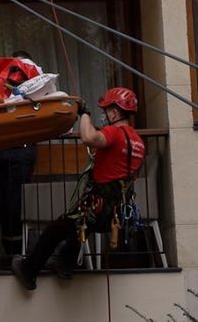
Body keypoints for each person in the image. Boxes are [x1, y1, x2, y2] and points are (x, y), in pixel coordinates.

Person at [11, 87, 145, 290]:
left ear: (115, 112)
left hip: (97, 206)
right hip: (116, 211)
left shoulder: (114, 133)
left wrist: (85, 114)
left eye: (107, 110)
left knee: (54, 231)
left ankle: (29, 270)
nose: (106, 114)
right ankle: (65, 263)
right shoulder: (138, 142)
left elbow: (89, 138)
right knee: (79, 229)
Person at [0, 51, 39, 261]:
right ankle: (10, 252)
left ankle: (17, 253)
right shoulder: (2, 86)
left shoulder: (35, 87)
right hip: (2, 150)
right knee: (3, 205)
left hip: (21, 150)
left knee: (15, 204)